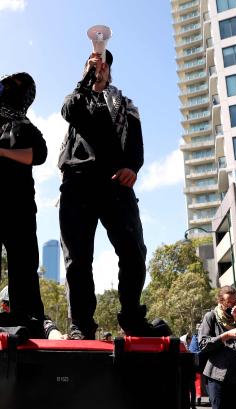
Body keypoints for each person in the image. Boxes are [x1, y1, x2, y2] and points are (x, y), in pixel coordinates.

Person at [58, 49, 165, 340]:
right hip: (78, 182)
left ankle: (131, 318)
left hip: (117, 185)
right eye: (94, 64)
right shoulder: (77, 99)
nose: (100, 67)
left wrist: (133, 167)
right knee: (78, 258)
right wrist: (85, 79)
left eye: (104, 64)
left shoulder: (125, 104)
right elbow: (69, 110)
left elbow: (136, 143)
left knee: (133, 252)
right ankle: (81, 324)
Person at [0, 71, 60, 340]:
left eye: (19, 86)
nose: (12, 88)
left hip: (20, 200)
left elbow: (38, 155)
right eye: (9, 83)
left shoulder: (27, 127)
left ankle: (26, 320)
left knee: (24, 260)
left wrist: (1, 152)